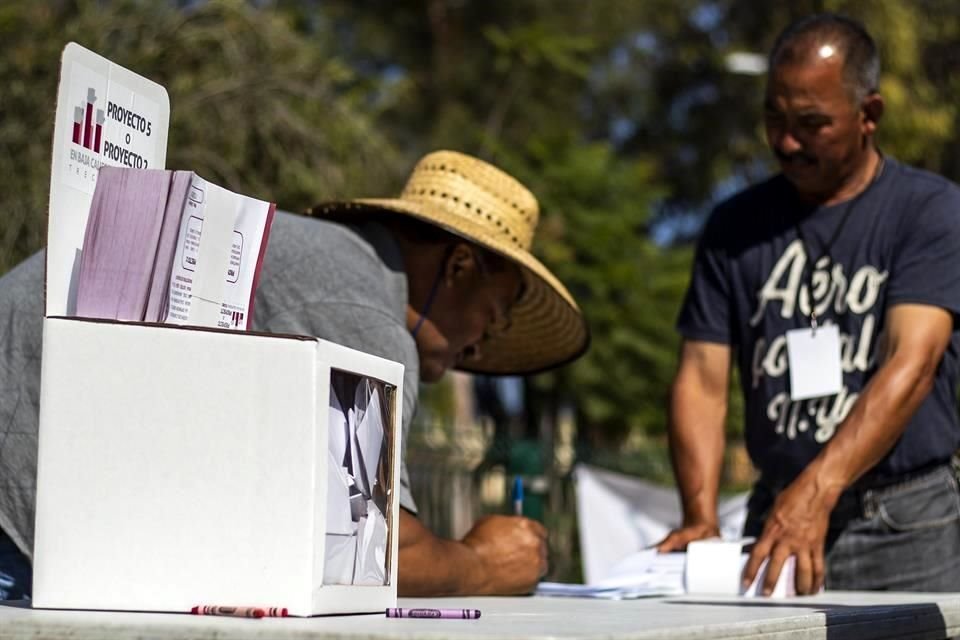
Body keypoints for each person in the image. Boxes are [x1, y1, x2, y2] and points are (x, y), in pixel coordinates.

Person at [0, 150, 589, 599]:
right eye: (497, 312)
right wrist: (483, 566)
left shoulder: (327, 262)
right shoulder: (362, 312)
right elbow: (376, 557)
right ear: (458, 266)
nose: (484, 343)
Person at [657, 13, 960, 595]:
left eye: (812, 124)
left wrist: (818, 490)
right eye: (774, 118)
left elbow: (913, 363)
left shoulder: (928, 211)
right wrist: (699, 515)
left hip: (904, 526)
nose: (787, 142)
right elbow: (700, 379)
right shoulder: (733, 227)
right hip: (776, 516)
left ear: (869, 115)